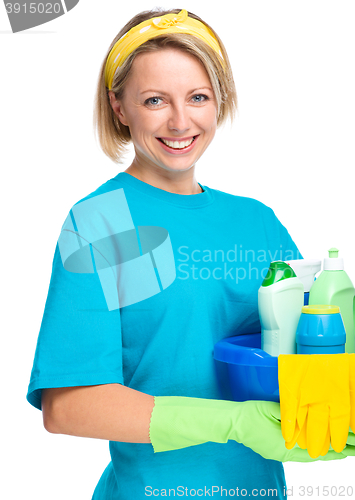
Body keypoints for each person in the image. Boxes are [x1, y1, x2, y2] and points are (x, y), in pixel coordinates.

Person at [26, 8, 355, 500]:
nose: (181, 122)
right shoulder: (104, 221)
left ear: (218, 101)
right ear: (119, 107)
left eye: (198, 97)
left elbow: (313, 349)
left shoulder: (256, 221)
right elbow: (68, 406)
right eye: (155, 100)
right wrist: (234, 422)